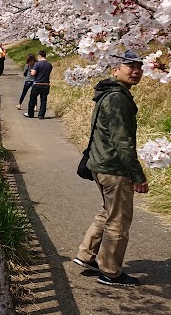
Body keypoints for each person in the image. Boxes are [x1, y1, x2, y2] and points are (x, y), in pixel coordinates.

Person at [74, 51, 148, 287]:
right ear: (114, 70)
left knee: (107, 212)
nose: (135, 70)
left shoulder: (108, 94)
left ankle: (86, 255)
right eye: (130, 66)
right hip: (114, 168)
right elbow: (122, 140)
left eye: (139, 66)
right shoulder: (117, 97)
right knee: (119, 220)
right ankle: (110, 271)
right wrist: (137, 175)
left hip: (101, 165)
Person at [24, 50, 52, 119]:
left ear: (39, 56)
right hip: (46, 84)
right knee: (43, 100)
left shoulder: (37, 64)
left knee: (32, 99)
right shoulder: (49, 65)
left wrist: (31, 71)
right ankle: (41, 115)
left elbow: (33, 74)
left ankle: (30, 114)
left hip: (37, 84)